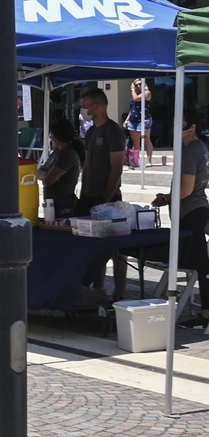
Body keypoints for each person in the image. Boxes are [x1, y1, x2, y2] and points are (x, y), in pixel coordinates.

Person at [150, 109, 209, 330]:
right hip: (195, 210)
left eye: (180, 123)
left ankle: (205, 314)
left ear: (192, 126)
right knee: (197, 264)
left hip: (192, 211)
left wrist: (165, 198)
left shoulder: (191, 150)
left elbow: (186, 189)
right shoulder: (197, 147)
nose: (176, 127)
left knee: (199, 265)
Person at [79, 88, 127, 297]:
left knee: (116, 249)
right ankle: (96, 289)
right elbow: (87, 164)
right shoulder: (90, 132)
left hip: (108, 197)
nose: (84, 109)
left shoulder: (113, 131)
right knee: (92, 248)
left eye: (86, 105)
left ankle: (120, 291)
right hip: (89, 194)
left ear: (96, 106)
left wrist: (106, 198)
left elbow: (117, 168)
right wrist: (82, 189)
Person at [38, 118, 84, 219]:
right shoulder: (57, 152)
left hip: (63, 205)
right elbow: (40, 171)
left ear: (59, 135)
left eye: (52, 135)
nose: (50, 137)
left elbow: (47, 181)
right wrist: (47, 174)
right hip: (52, 201)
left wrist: (46, 175)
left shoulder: (68, 155)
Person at [124, 79, 154, 168]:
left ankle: (149, 161)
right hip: (133, 120)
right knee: (135, 141)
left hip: (144, 120)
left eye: (140, 84)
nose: (138, 86)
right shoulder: (135, 95)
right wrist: (126, 120)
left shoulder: (147, 93)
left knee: (146, 140)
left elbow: (136, 99)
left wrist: (132, 90)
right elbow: (132, 109)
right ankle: (136, 161)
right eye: (136, 85)